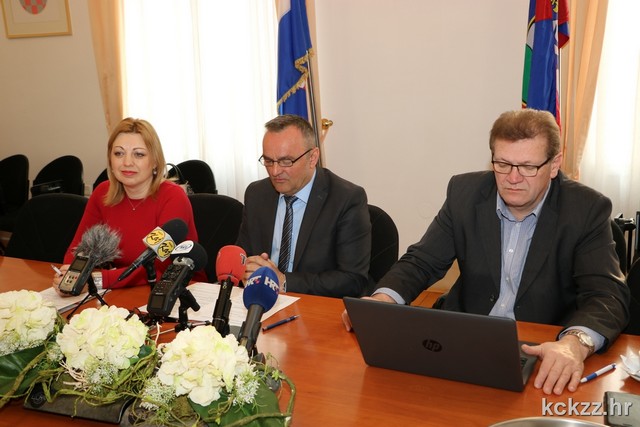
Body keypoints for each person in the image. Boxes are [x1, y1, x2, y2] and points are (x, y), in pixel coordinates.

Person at [342, 109, 630, 395]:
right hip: (463, 340)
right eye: (503, 164)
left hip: (540, 348)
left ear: (554, 164)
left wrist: (575, 343)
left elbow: (607, 295)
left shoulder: (586, 209)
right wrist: (381, 302)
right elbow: (422, 262)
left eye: (528, 167)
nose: (513, 178)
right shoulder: (464, 193)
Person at [52, 117, 204, 292]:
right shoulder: (102, 193)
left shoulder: (173, 197)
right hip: (121, 290)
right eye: (119, 153)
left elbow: (157, 266)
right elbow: (76, 251)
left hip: (177, 290)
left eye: (139, 154)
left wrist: (98, 281)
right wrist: (69, 276)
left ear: (155, 161)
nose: (127, 162)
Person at [235, 114, 371, 297]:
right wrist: (246, 269)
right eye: (268, 160)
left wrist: (284, 281)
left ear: (312, 158)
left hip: (315, 305)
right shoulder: (257, 194)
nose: (275, 171)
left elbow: (353, 280)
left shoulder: (346, 199)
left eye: (286, 161)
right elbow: (242, 256)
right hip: (262, 300)